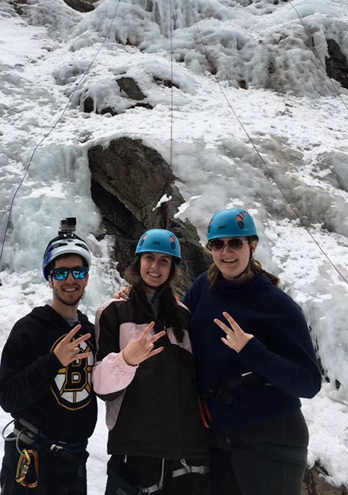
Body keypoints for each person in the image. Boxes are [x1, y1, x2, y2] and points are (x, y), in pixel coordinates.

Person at [182, 208, 322, 495]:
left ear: (252, 246)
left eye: (236, 243)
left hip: (272, 436)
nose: (226, 252)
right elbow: (177, 323)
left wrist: (251, 350)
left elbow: (309, 382)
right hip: (222, 435)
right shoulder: (203, 288)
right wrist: (136, 297)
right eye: (218, 244)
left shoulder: (277, 305)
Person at [93, 228, 210, 495]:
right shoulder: (112, 312)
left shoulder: (183, 315)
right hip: (136, 446)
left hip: (186, 450)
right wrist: (126, 361)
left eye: (164, 260)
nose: (155, 267)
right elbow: (101, 387)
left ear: (172, 268)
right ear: (139, 262)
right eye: (149, 258)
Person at [0, 218, 97, 495]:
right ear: (49, 278)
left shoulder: (89, 330)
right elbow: (7, 396)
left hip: (75, 462)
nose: (70, 280)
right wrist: (53, 362)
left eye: (78, 272)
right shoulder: (29, 329)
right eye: (61, 273)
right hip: (33, 461)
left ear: (87, 277)